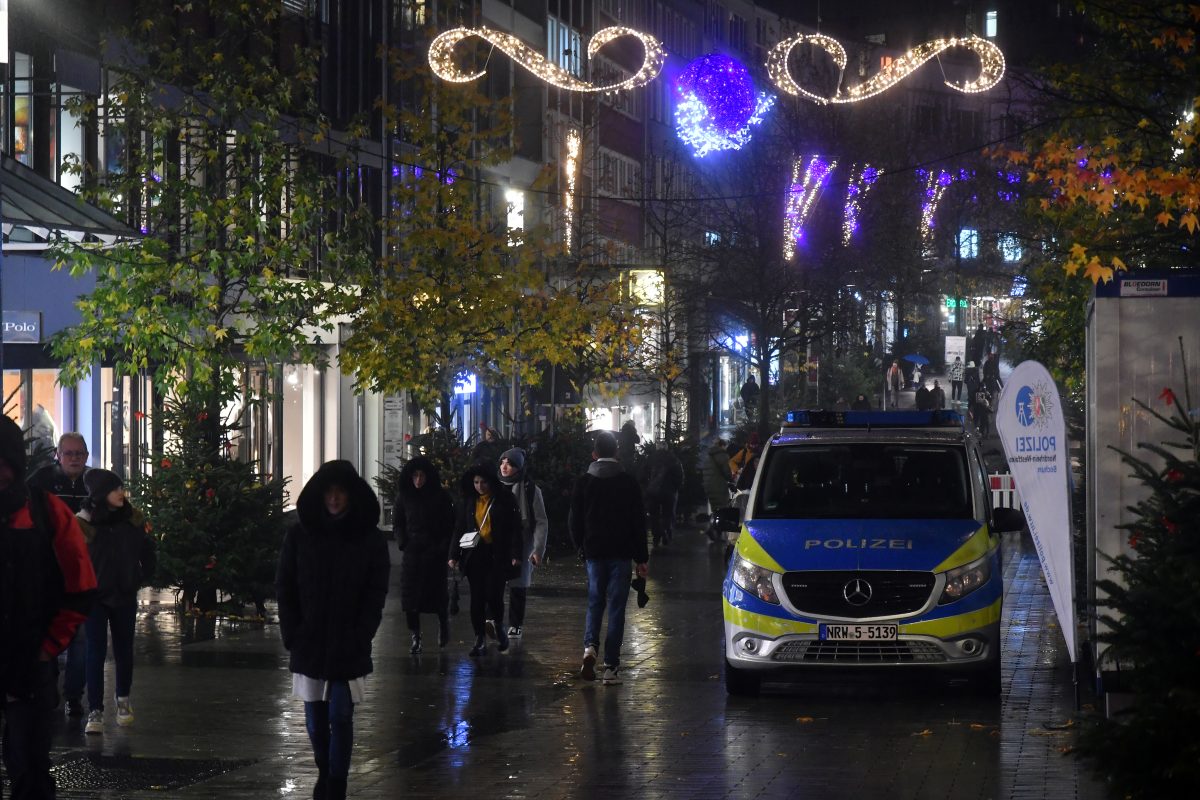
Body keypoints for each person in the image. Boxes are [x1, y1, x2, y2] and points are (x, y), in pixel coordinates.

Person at [276, 460, 390, 800]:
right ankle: (325, 771)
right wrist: (293, 632)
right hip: (310, 641)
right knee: (315, 721)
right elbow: (286, 585)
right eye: (330, 492)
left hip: (348, 641)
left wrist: (363, 631)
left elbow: (376, 590)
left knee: (340, 714)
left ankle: (336, 784)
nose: (335, 499)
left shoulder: (368, 539)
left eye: (341, 492)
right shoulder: (299, 534)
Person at [0, 415, 96, 799]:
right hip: (31, 660)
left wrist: (48, 647)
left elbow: (81, 585)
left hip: (30, 664)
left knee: (31, 767)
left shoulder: (47, 512)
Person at [76, 469, 155, 736]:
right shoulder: (84, 523)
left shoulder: (132, 520)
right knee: (94, 651)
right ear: (100, 494)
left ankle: (123, 699)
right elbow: (74, 559)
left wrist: (140, 576)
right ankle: (95, 709)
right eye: (115, 489)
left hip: (124, 593)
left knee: (124, 650)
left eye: (120, 488)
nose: (121, 493)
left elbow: (147, 550)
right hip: (96, 596)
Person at [569, 431, 648, 685]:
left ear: (594, 454)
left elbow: (574, 519)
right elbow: (638, 520)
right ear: (616, 452)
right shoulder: (628, 482)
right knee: (616, 608)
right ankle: (611, 667)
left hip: (594, 551)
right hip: (622, 552)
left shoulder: (584, 482)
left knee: (594, 601)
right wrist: (641, 557)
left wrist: (580, 545)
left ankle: (590, 646)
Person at [28, 432, 92, 717]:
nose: (75, 458)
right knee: (48, 633)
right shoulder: (41, 482)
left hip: (82, 573)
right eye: (69, 453)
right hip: (48, 574)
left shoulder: (96, 483)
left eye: (80, 454)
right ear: (58, 454)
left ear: (87, 456)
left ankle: (74, 695)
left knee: (80, 639)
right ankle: (47, 686)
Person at [448, 463, 522, 656]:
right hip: (475, 555)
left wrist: (515, 554)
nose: (480, 486)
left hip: (496, 554)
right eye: (476, 482)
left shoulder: (504, 499)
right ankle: (479, 638)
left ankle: (498, 625)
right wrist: (454, 555)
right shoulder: (468, 501)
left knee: (494, 595)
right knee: (477, 598)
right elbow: (459, 528)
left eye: (483, 482)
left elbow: (514, 528)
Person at [394, 457, 456, 655]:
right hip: (413, 552)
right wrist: (403, 542)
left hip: (434, 553)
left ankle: (443, 625)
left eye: (422, 476)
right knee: (411, 598)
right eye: (415, 476)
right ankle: (416, 636)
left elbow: (449, 524)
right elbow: (398, 523)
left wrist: (442, 547)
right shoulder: (404, 497)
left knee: (437, 595)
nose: (418, 480)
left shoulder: (440, 497)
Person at [497, 448, 547, 639]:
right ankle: (495, 620)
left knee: (518, 583)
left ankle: (515, 624)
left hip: (523, 540)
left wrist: (537, 549)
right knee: (496, 583)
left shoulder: (530, 489)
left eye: (509, 463)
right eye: (502, 462)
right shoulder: (493, 486)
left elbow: (541, 520)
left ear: (518, 467)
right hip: (498, 540)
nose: (504, 466)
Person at [642, 442, 684, 548]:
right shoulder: (673, 459)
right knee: (668, 514)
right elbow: (680, 475)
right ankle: (666, 530)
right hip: (669, 492)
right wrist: (676, 487)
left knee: (654, 515)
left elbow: (642, 474)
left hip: (653, 491)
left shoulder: (650, 458)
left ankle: (656, 536)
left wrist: (647, 486)